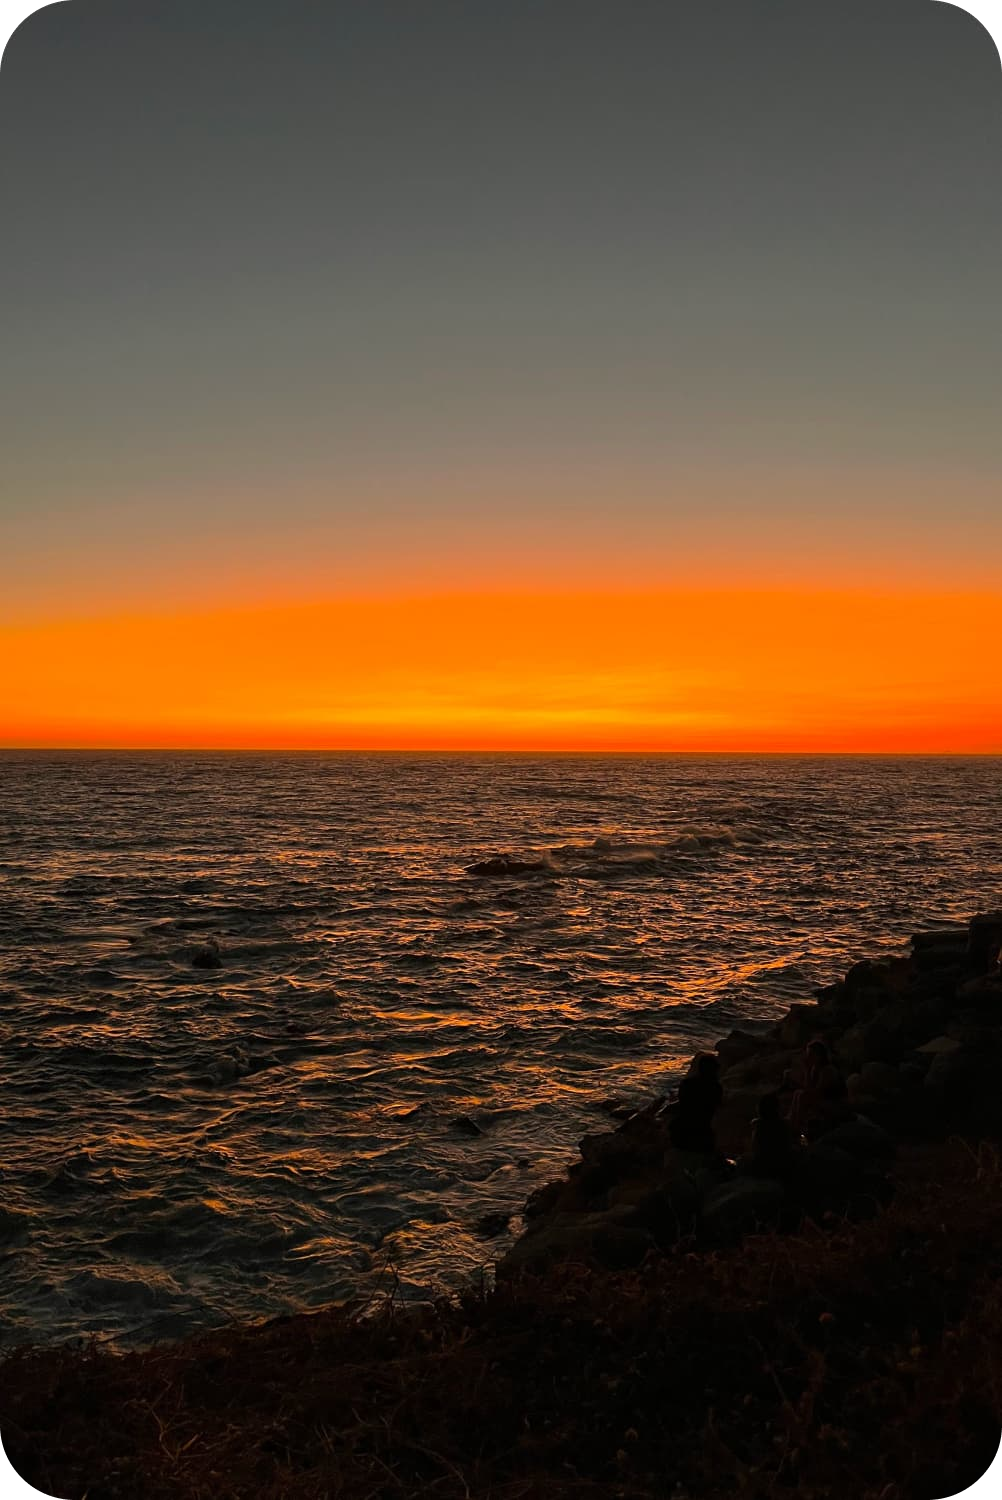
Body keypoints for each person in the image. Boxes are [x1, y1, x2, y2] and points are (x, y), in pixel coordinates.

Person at [787, 1039, 850, 1140]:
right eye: (808, 1054)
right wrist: (807, 1070)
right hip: (825, 1100)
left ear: (819, 1055)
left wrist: (806, 1070)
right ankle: (792, 1123)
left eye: (811, 1054)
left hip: (837, 1104)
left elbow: (815, 1093)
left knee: (802, 1096)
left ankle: (796, 1129)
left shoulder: (828, 1070)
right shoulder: (815, 1067)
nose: (808, 1057)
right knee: (797, 1093)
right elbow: (808, 1089)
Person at [668, 1052, 723, 1154]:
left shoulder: (687, 1083)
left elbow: (682, 1102)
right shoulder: (716, 1087)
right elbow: (716, 1106)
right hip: (702, 1134)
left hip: (681, 1132)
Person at [746, 1091, 797, 1177]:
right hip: (782, 1167)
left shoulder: (757, 1124)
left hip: (762, 1167)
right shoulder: (784, 1124)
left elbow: (754, 1148)